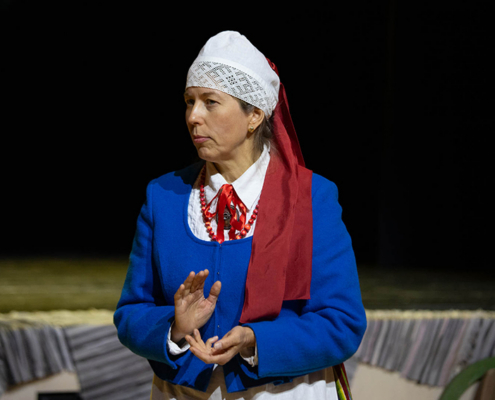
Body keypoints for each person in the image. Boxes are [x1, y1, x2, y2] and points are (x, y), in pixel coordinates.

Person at [113, 31, 367, 400]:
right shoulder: (164, 196)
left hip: (282, 392)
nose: (193, 117)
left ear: (254, 115)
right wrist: (174, 328)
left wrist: (255, 340)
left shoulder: (310, 198)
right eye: (189, 102)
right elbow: (131, 313)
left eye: (210, 102)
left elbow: (342, 323)